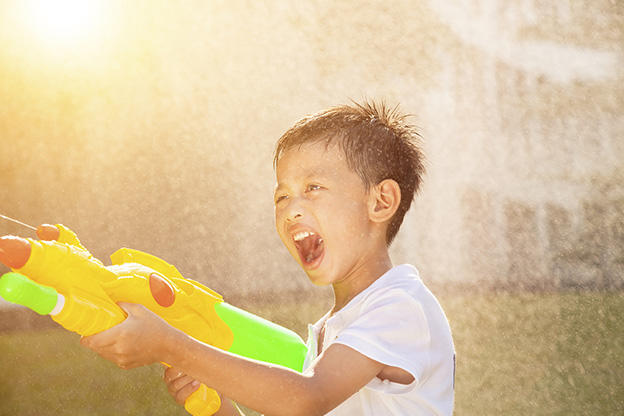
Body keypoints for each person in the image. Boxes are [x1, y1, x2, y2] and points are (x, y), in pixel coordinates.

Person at [80, 101, 456, 415]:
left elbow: (307, 398)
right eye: (282, 196)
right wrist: (218, 405)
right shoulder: (332, 329)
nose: (292, 209)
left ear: (380, 201)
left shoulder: (400, 307)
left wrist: (171, 345)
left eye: (314, 187)